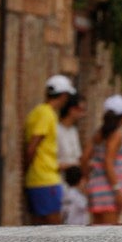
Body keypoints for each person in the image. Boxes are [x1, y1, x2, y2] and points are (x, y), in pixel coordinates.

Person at [23, 75, 75, 225]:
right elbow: (33, 145)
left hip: (38, 178)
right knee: (54, 228)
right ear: (63, 95)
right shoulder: (47, 114)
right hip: (45, 179)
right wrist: (28, 167)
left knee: (39, 228)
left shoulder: (38, 112)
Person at [82, 95, 122, 226]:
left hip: (96, 187)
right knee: (109, 235)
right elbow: (108, 162)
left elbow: (84, 158)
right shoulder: (116, 136)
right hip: (109, 189)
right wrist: (117, 191)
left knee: (97, 232)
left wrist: (88, 179)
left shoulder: (98, 134)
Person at [57, 92, 86, 184]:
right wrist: (70, 165)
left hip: (72, 183)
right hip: (58, 181)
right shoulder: (56, 130)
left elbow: (77, 157)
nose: (83, 114)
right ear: (71, 110)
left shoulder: (73, 131)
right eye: (80, 109)